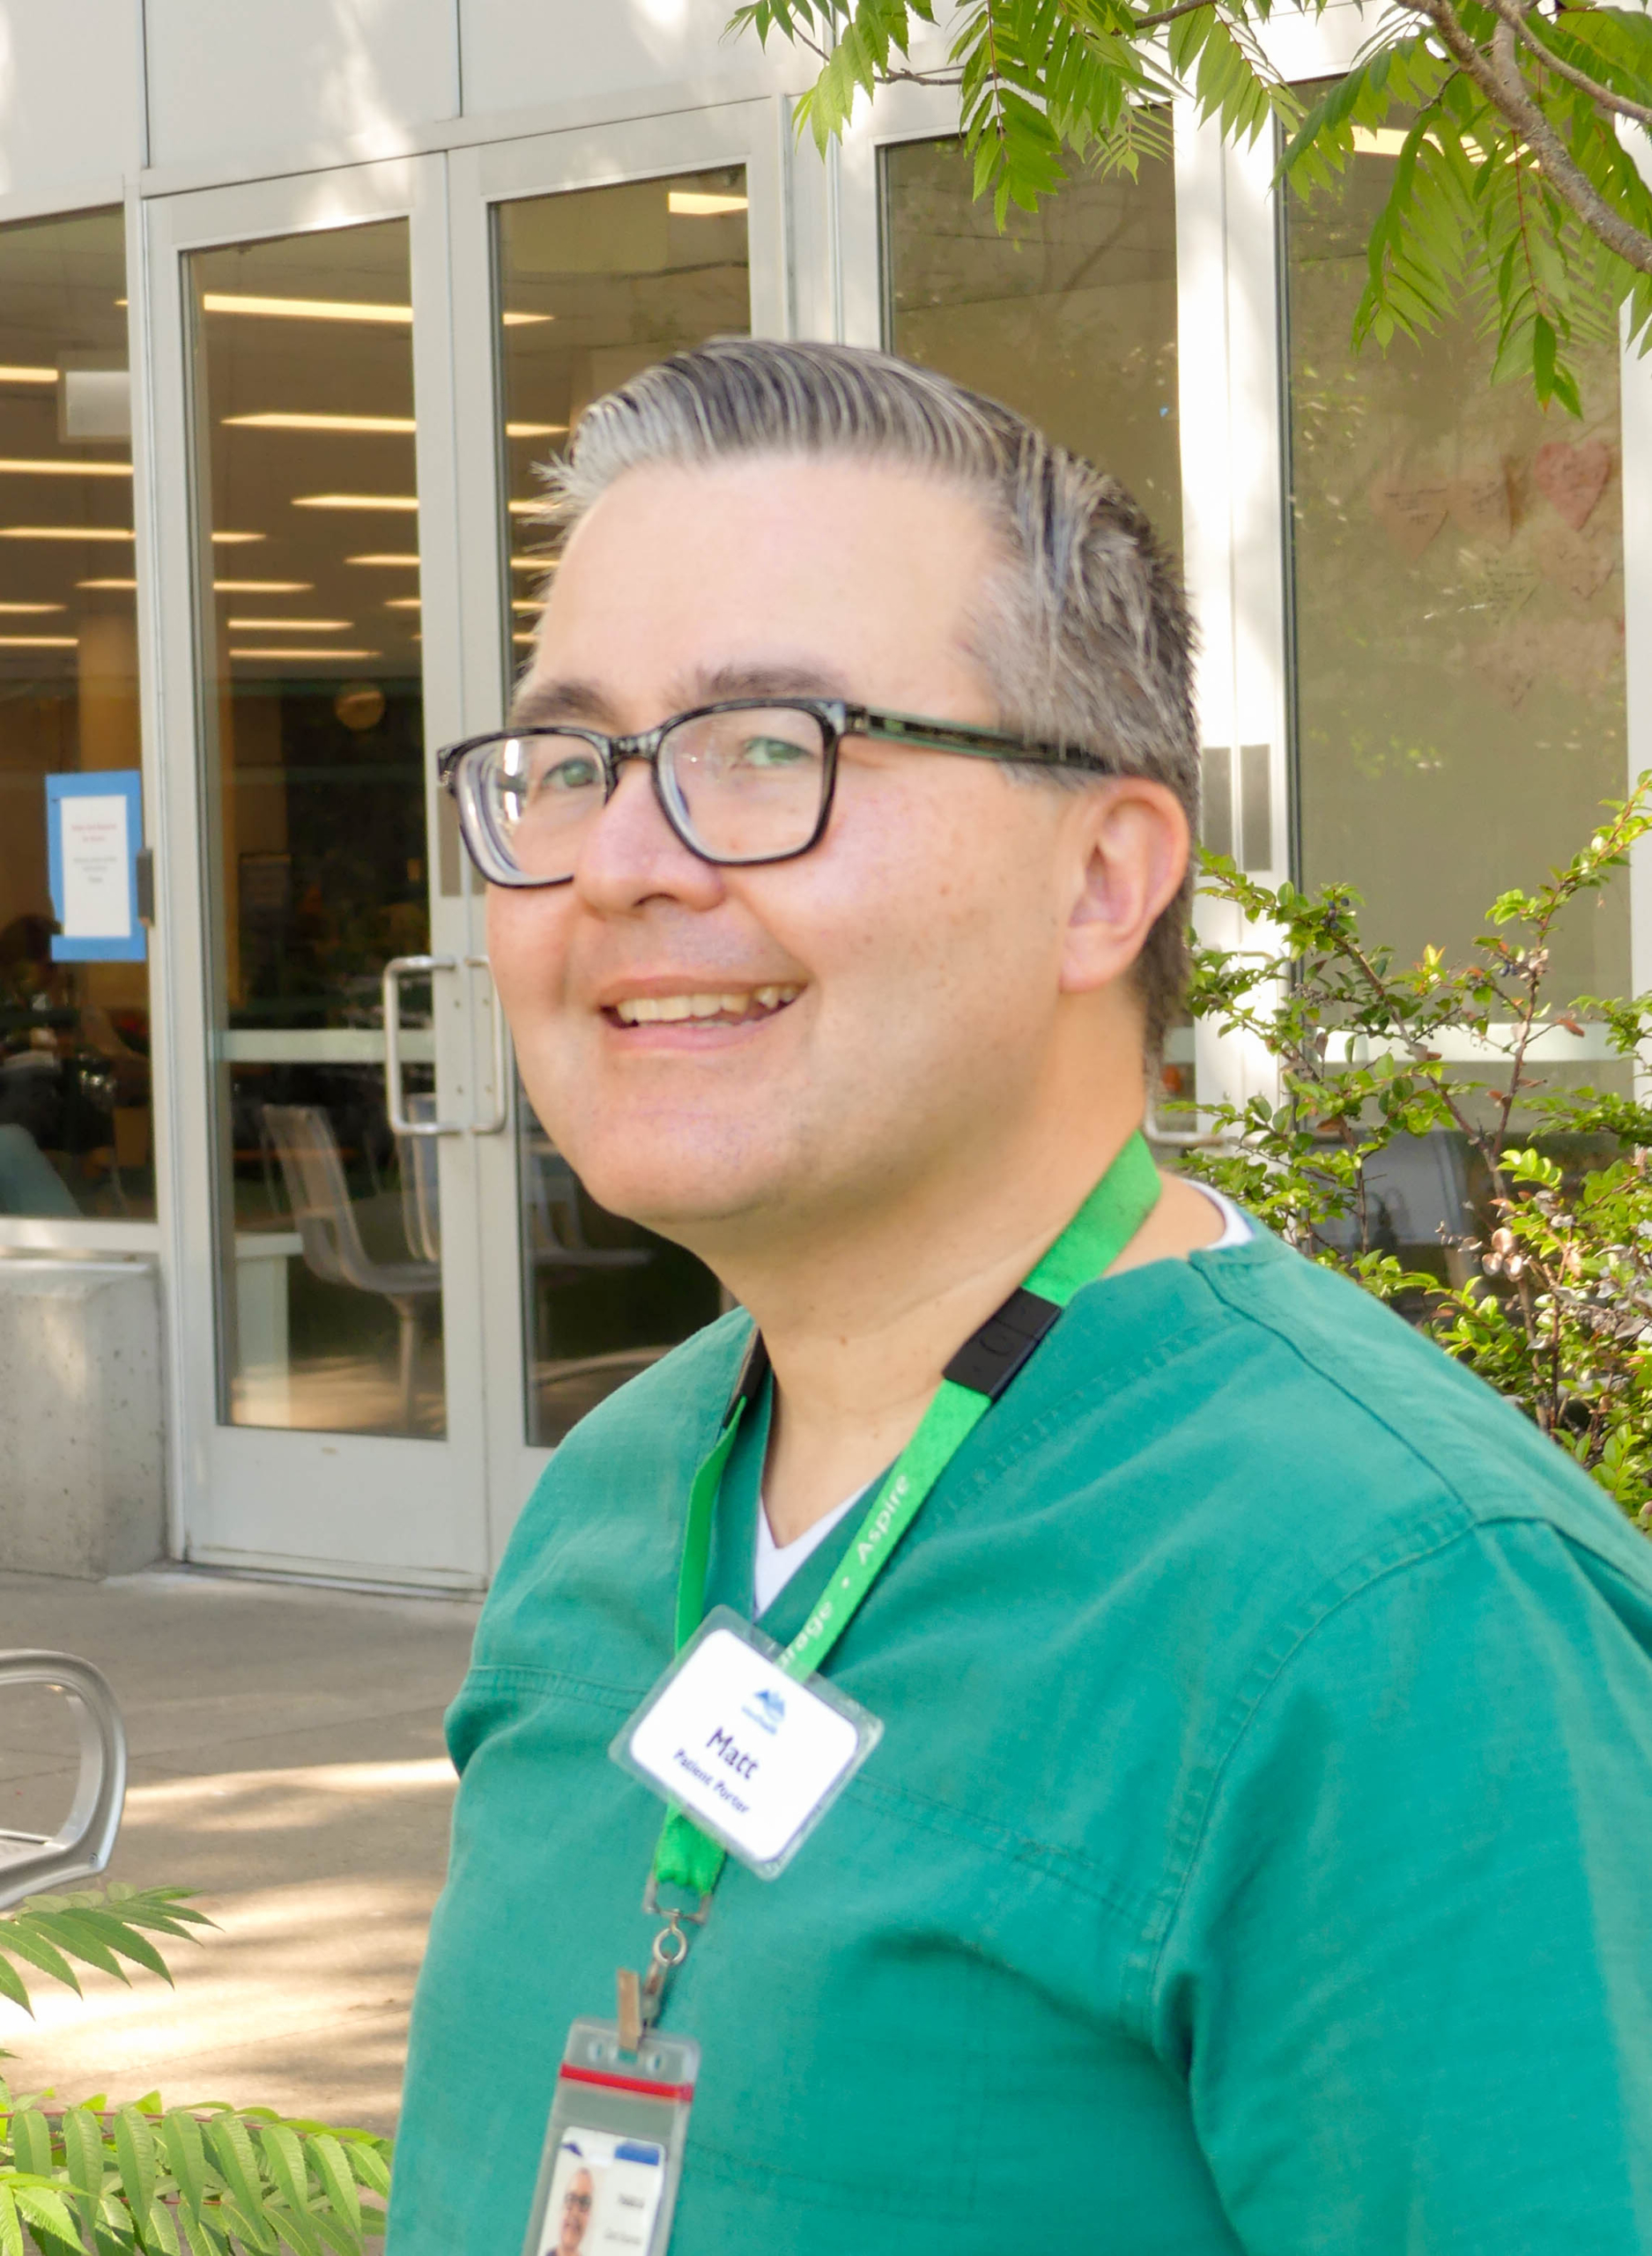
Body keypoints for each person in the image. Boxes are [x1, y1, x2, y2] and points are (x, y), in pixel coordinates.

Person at [388, 340, 1652, 2255]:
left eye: (767, 751)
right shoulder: (615, 1491)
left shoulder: (1402, 1611)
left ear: (1100, 876)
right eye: (568, 765)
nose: (624, 865)